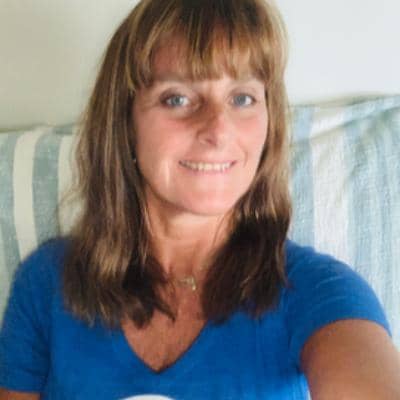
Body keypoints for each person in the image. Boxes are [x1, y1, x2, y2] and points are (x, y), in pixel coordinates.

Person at [1, 0, 400, 399]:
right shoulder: (46, 283)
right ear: (125, 122)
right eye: (177, 98)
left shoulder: (319, 291)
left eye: (242, 98)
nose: (218, 129)